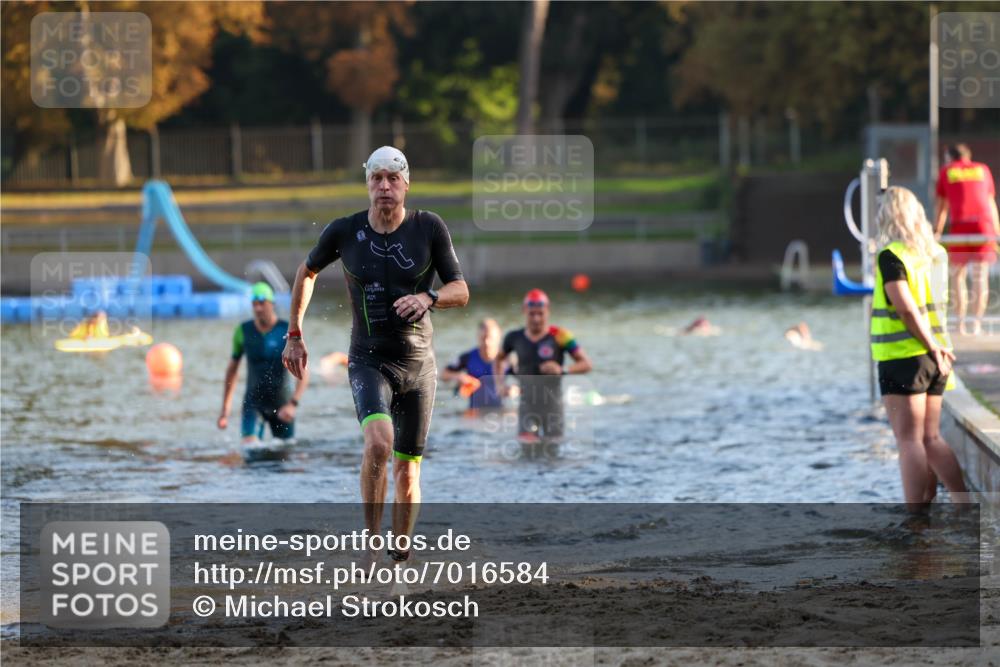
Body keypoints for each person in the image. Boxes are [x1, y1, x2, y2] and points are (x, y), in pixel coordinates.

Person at [282, 146, 468, 564]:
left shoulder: (429, 228)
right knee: (379, 443)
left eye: (393, 179)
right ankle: (370, 545)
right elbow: (306, 271)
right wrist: (294, 332)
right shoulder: (344, 232)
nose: (385, 186)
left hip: (419, 364)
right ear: (367, 184)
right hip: (368, 359)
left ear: (406, 183)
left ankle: (399, 554)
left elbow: (461, 290)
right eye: (377, 179)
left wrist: (429, 297)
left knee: (408, 472)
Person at [871, 186, 967, 506]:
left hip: (904, 356)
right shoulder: (935, 253)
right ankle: (963, 503)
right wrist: (937, 349)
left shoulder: (892, 256)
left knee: (909, 440)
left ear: (889, 215)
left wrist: (929, 346)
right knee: (931, 438)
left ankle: (914, 519)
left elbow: (906, 308)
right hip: (936, 357)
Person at [494, 289, 592, 444]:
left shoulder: (561, 335)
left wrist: (562, 370)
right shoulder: (513, 337)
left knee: (552, 454)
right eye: (531, 314)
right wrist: (500, 384)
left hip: (553, 407)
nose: (536, 318)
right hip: (527, 405)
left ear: (548, 311)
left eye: (540, 313)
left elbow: (586, 364)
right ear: (524, 311)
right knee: (526, 451)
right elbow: (498, 359)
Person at [218, 282, 308, 444]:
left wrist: (293, 404)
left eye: (262, 303)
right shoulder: (243, 331)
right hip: (253, 404)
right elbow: (231, 371)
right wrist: (225, 409)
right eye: (254, 304)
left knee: (284, 456)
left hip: (283, 404)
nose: (258, 308)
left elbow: (303, 371)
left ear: (272, 303)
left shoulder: (287, 330)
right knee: (250, 451)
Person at [933, 143, 999, 335]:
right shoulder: (983, 169)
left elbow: (941, 206)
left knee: (957, 275)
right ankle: (976, 324)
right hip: (984, 227)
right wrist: (996, 232)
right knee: (980, 277)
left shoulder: (947, 171)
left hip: (960, 226)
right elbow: (990, 202)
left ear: (950, 157)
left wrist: (937, 230)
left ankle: (960, 324)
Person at [440, 318, 505, 412]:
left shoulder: (507, 360)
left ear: (498, 337)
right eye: (483, 338)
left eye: (490, 338)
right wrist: (459, 376)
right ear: (478, 336)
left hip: (500, 413)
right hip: (474, 412)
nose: (486, 342)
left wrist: (515, 390)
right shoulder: (468, 357)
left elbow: (527, 381)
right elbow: (443, 374)